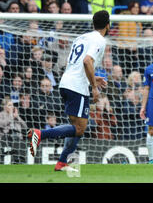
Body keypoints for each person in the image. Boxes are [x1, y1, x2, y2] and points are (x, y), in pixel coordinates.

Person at [27, 10, 110, 172]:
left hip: (67, 82)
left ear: (93, 24)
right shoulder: (99, 40)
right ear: (108, 25)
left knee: (77, 127)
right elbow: (87, 61)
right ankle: (39, 134)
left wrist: (93, 79)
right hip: (77, 87)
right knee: (80, 128)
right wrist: (93, 86)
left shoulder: (82, 37)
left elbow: (79, 62)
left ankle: (62, 162)